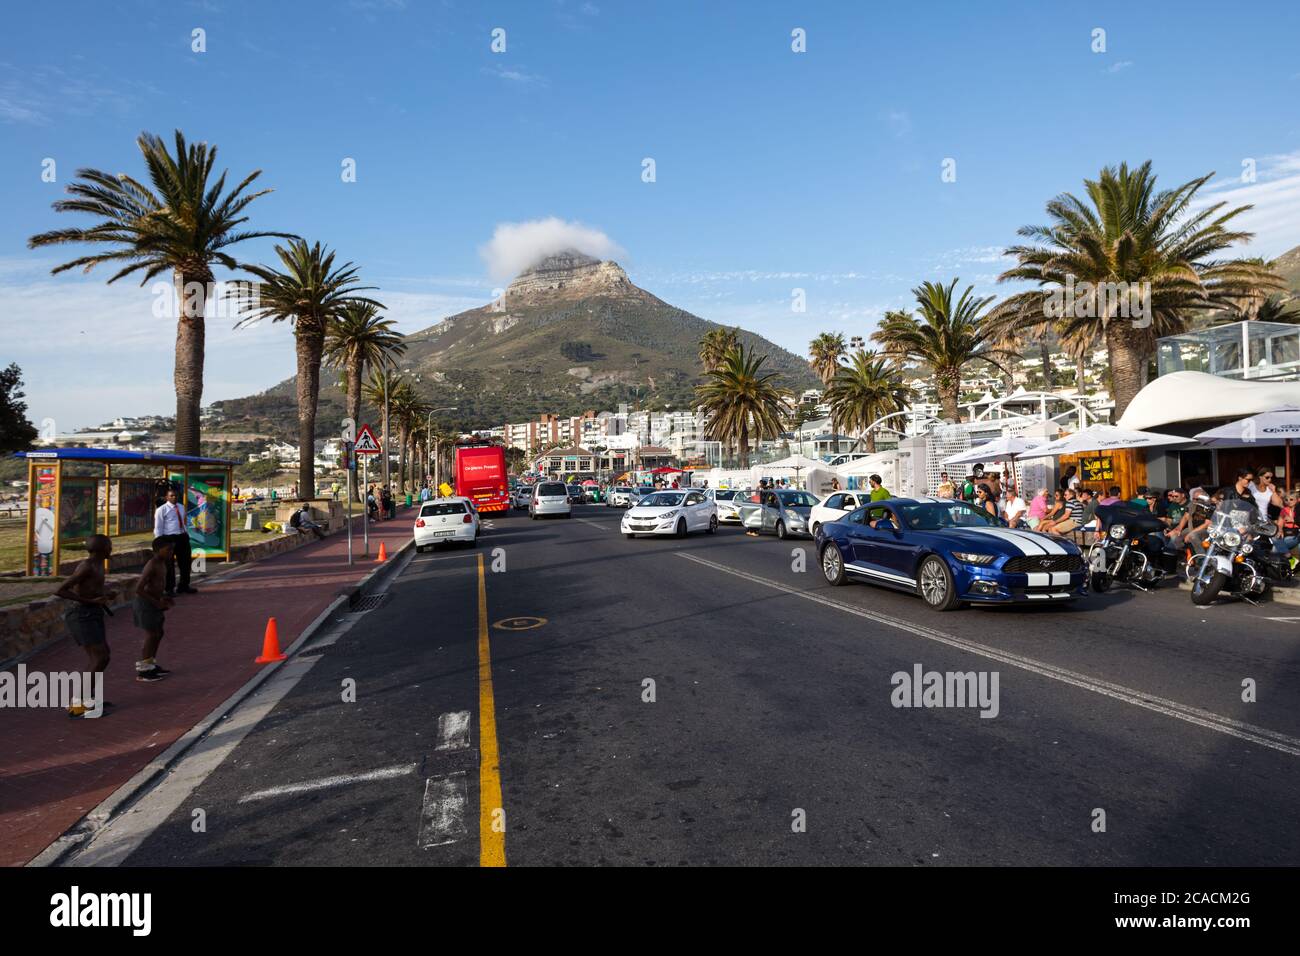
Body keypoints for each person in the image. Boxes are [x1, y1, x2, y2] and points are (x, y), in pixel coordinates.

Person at [54, 535, 118, 717]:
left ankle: (86, 698)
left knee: (102, 657)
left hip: (93, 613)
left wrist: (106, 593)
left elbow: (90, 588)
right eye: (109, 546)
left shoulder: (98, 565)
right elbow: (60, 590)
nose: (111, 549)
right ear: (100, 549)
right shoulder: (87, 566)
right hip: (82, 615)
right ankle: (79, 705)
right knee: (99, 657)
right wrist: (89, 600)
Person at [133, 537, 175, 682]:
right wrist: (156, 603)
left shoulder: (163, 563)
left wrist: (163, 597)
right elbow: (139, 589)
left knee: (158, 633)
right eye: (168, 549)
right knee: (151, 635)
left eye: (172, 549)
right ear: (158, 550)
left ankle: (151, 664)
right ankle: (143, 672)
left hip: (155, 602)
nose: (171, 552)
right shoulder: (152, 564)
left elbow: (157, 585)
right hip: (146, 604)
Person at [153, 487, 196, 596]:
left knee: (185, 562)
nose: (174, 497)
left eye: (176, 495)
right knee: (169, 565)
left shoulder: (181, 507)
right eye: (171, 495)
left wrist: (186, 533)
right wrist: (159, 542)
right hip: (169, 538)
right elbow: (158, 527)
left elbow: (182, 521)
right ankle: (169, 588)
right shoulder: (161, 510)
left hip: (182, 536)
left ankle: (184, 586)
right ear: (167, 497)